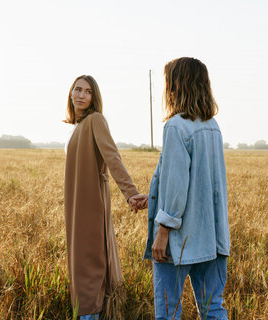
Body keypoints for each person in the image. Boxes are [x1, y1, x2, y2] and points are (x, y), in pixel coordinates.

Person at [143, 57, 230, 319]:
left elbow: (177, 185)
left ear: (177, 85)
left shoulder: (176, 126)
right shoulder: (212, 126)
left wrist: (163, 231)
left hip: (178, 240)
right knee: (213, 309)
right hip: (212, 237)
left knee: (168, 313)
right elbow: (203, 186)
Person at [64, 75, 147, 320]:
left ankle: (91, 315)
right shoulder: (76, 127)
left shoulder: (95, 120)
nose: (81, 95)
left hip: (91, 203)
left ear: (94, 98)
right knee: (79, 262)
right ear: (70, 94)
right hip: (75, 204)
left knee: (91, 261)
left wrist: (130, 193)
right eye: (77, 89)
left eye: (87, 91)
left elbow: (113, 158)